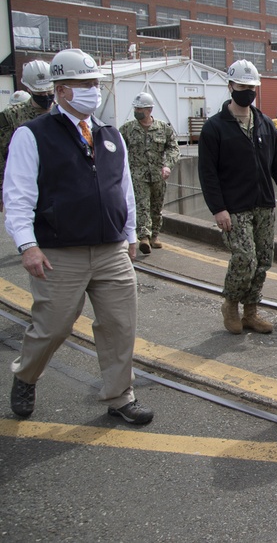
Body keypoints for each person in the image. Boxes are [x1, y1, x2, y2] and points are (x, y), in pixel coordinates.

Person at [5, 48, 153, 425]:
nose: (93, 91)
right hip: (59, 251)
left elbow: (124, 188)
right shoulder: (32, 134)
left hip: (111, 248)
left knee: (120, 325)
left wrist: (131, 233)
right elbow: (18, 195)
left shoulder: (109, 133)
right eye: (85, 85)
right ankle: (26, 374)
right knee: (53, 325)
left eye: (96, 84)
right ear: (62, 90)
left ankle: (120, 395)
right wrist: (27, 245)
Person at [198, 59, 277, 335]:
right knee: (245, 257)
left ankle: (250, 311)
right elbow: (208, 173)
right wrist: (218, 208)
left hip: (263, 203)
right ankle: (231, 304)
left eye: (252, 87)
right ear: (231, 86)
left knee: (264, 259)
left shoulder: (265, 124)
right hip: (234, 207)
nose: (248, 91)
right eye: (242, 86)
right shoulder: (215, 128)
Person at [120, 92, 180, 254]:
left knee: (156, 206)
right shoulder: (127, 129)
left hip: (158, 175)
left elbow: (174, 148)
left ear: (149, 110)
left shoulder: (163, 128)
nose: (137, 111)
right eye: (136, 108)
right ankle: (144, 236)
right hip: (137, 175)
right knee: (142, 205)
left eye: (141, 108)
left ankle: (155, 236)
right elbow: (118, 149)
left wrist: (168, 165)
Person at [0, 60, 57, 209]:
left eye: (49, 91)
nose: (45, 95)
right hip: (26, 189)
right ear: (29, 89)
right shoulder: (12, 116)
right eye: (40, 92)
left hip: (59, 188)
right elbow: (2, 154)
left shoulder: (64, 113)